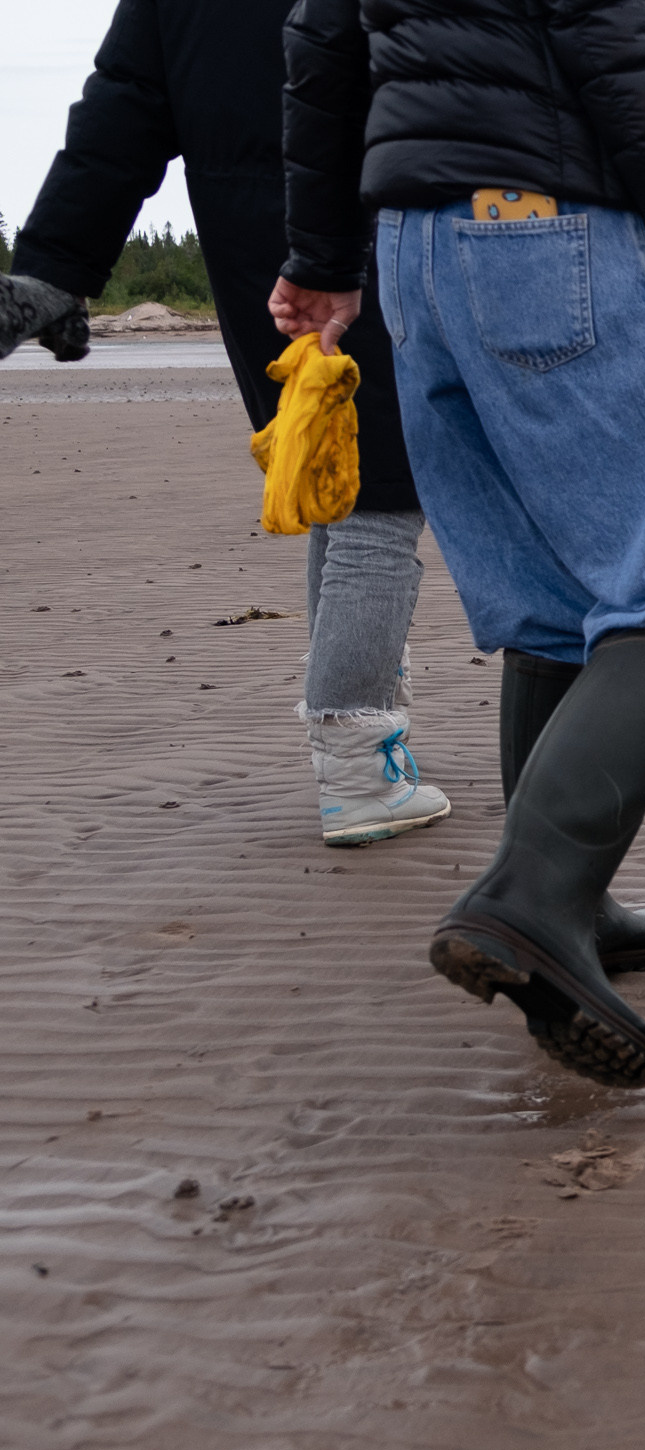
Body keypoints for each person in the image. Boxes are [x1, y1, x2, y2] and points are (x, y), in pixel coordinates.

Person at [275, 0, 645, 1087]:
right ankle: (534, 899)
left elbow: (322, 52)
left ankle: (572, 896)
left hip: (415, 252)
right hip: (549, 234)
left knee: (557, 594)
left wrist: (324, 254)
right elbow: (613, 45)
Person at [8, 0, 449, 847]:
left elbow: (120, 112)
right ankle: (357, 762)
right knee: (380, 499)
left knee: (334, 486)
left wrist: (56, 266)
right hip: (371, 235)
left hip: (254, 244)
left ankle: (362, 734)